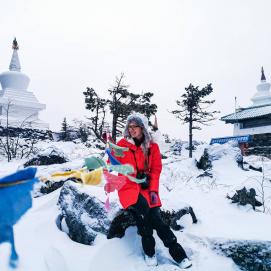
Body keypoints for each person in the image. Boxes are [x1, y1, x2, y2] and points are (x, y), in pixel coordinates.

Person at [113, 113, 192, 268]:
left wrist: (150, 184)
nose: (132, 129)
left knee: (150, 216)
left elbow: (156, 170)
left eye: (135, 126)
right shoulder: (122, 144)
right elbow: (114, 164)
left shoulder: (152, 146)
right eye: (130, 126)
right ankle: (177, 253)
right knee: (152, 216)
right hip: (128, 189)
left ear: (142, 128)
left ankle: (150, 253)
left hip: (148, 189)